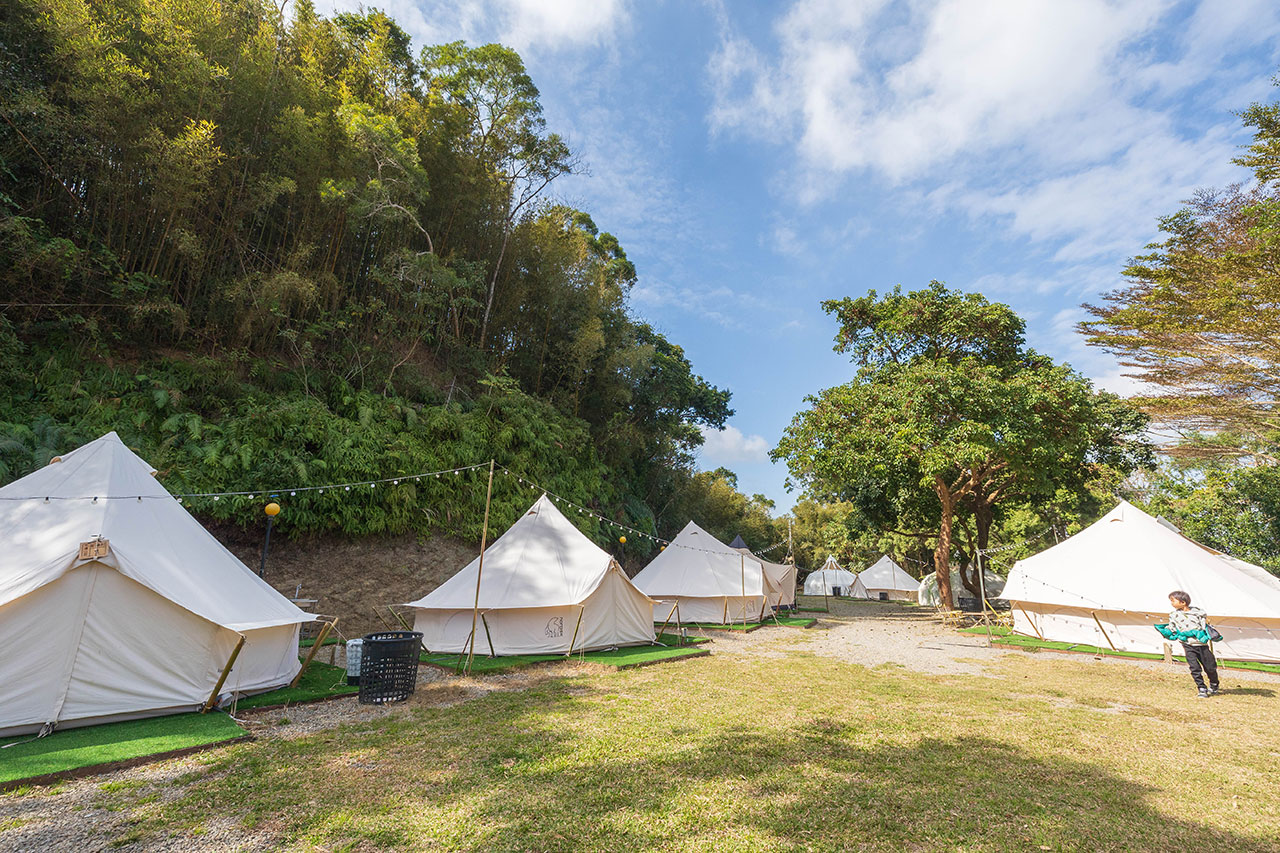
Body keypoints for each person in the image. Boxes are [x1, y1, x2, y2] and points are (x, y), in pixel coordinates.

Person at [1155, 590, 1219, 698]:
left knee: (1210, 667)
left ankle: (1214, 683)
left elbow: (1204, 627)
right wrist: (1166, 631)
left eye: (1173, 601)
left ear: (1183, 602)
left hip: (1201, 645)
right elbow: (1173, 627)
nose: (1171, 603)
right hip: (1188, 645)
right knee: (1194, 667)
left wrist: (1203, 634)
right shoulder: (1174, 616)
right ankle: (1201, 688)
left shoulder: (1198, 614)